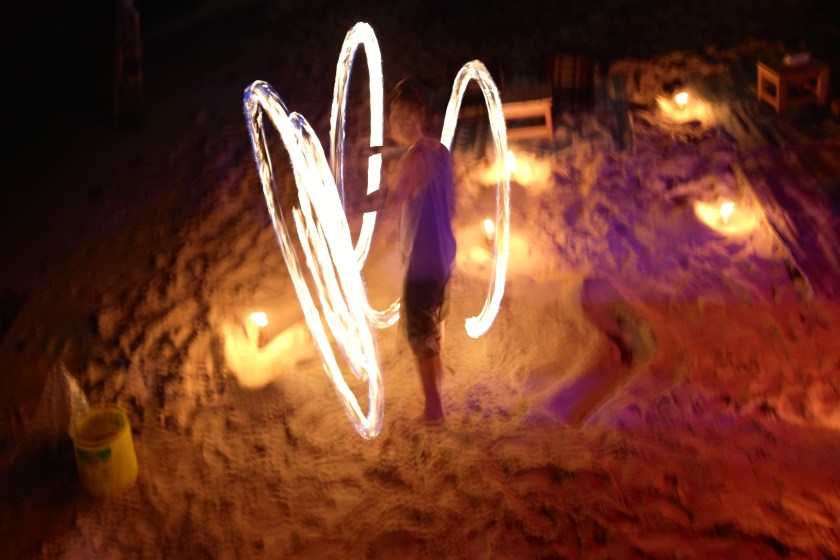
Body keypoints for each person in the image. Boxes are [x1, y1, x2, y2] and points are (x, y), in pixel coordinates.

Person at [355, 78, 457, 424]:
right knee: (432, 320)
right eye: (391, 118)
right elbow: (417, 169)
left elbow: (391, 197)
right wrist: (388, 155)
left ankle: (433, 410)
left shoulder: (414, 161)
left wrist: (350, 204)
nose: (392, 124)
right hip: (445, 254)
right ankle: (438, 374)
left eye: (398, 117)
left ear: (415, 116)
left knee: (419, 336)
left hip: (423, 263)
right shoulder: (438, 150)